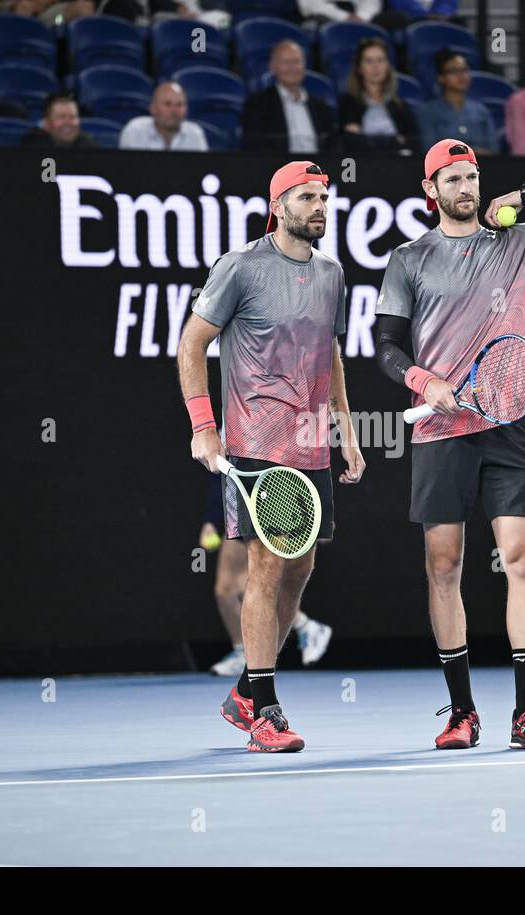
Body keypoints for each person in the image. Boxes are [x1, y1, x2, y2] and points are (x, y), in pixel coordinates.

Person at [374, 139, 525, 751]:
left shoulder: (518, 243)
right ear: (431, 191)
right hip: (438, 431)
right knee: (444, 566)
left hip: (508, 423)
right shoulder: (409, 259)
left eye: (473, 177)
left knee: (524, 561)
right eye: (453, 179)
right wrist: (424, 381)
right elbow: (384, 346)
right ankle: (461, 712)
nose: (467, 188)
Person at [178, 161, 365, 752]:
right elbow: (192, 344)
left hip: (310, 443)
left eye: (324, 197)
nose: (319, 206)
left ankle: (245, 692)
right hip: (254, 444)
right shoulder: (240, 267)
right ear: (278, 205)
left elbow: (330, 352)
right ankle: (265, 711)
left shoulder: (334, 274)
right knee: (263, 567)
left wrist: (347, 431)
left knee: (299, 570)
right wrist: (204, 428)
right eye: (306, 197)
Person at [199, 477, 333, 676]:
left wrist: (321, 516)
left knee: (259, 583)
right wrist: (211, 519)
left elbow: (306, 463)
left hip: (272, 499)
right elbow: (219, 471)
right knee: (225, 590)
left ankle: (299, 632)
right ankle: (243, 651)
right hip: (238, 503)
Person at [241, 40, 338, 152]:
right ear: (273, 66)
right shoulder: (257, 104)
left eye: (297, 62)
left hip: (318, 167)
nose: (292, 68)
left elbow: (333, 148)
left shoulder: (322, 108)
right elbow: (254, 147)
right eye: (286, 62)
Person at [337, 37, 420, 153]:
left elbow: (413, 145)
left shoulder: (401, 108)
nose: (375, 66)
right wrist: (394, 141)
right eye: (369, 61)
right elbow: (345, 144)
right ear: (359, 68)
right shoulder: (346, 105)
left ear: (388, 66)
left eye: (380, 60)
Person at [416, 49, 494, 152]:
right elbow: (429, 150)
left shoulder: (480, 110)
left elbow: (493, 149)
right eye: (453, 71)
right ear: (441, 78)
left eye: (464, 70)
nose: (461, 76)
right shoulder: (427, 112)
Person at [118, 82, 208, 150]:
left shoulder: (195, 134)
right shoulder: (134, 131)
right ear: (153, 108)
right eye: (168, 104)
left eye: (180, 105)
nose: (174, 110)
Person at [20, 94, 100, 147]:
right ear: (46, 123)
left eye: (72, 117)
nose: (67, 122)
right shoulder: (33, 145)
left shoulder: (90, 146)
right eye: (61, 117)